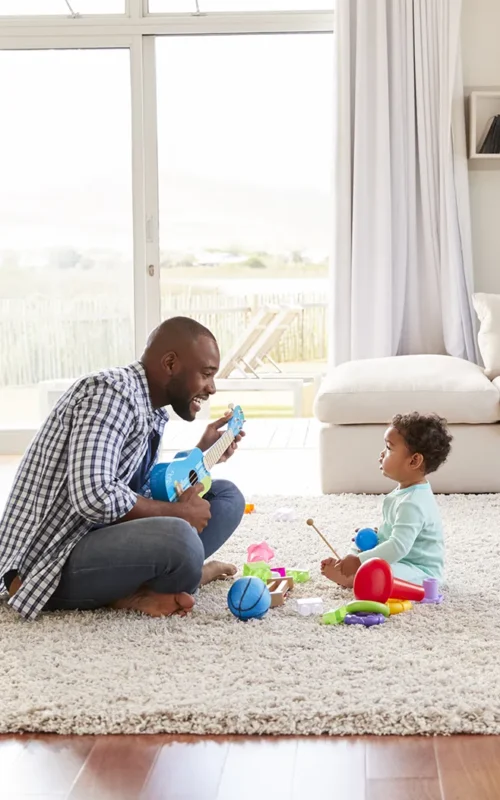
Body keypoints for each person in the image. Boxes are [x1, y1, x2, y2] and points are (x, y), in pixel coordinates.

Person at [0, 317, 246, 620]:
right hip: (46, 562)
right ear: (170, 363)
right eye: (206, 374)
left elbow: (138, 491)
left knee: (226, 497)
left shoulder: (149, 408)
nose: (211, 388)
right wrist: (179, 513)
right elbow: (94, 495)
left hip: (95, 535)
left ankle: (160, 581)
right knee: (180, 538)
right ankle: (158, 584)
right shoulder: (111, 394)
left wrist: (202, 454)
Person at [321, 412, 452, 588]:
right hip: (402, 560)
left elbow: (398, 546)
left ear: (414, 461)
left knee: (377, 570)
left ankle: (353, 577)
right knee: (361, 550)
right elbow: (396, 533)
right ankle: (349, 570)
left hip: (420, 572)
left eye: (389, 448)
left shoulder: (413, 502)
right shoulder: (405, 491)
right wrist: (379, 535)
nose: (382, 454)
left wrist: (359, 561)